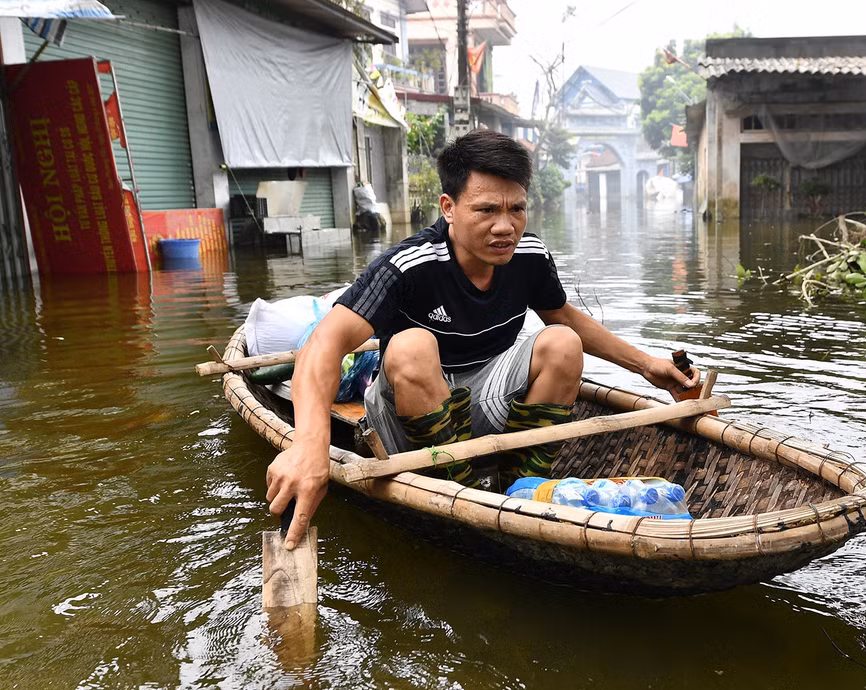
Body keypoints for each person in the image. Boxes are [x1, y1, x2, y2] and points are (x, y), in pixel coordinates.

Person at [266, 129, 697, 549]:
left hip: (486, 400)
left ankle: (521, 486)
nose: (505, 227)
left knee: (562, 341)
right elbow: (322, 346)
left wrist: (647, 366)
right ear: (449, 207)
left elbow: (562, 315)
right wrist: (310, 445)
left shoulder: (529, 256)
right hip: (408, 416)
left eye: (517, 210)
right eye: (487, 210)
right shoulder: (408, 264)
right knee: (412, 345)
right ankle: (462, 488)